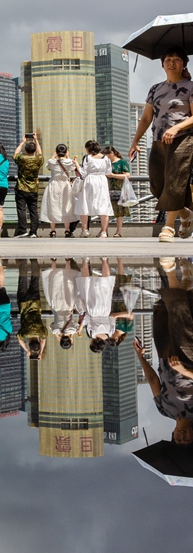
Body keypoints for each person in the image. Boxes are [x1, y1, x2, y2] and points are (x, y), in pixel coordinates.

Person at [129, 47, 193, 243]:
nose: (171, 63)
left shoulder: (190, 86)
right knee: (157, 186)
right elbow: (146, 117)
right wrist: (135, 140)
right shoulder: (155, 89)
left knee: (174, 182)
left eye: (176, 60)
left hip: (183, 140)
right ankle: (185, 214)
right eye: (167, 60)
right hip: (158, 140)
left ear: (184, 64)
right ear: (162, 64)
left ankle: (168, 227)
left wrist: (176, 128)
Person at [135, 258, 193, 447]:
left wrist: (141, 357)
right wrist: (184, 371)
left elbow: (153, 381)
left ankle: (187, 274)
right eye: (186, 439)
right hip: (189, 356)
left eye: (178, 439)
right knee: (180, 312)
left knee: (167, 312)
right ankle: (170, 268)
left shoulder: (164, 410)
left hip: (165, 355)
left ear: (173, 434)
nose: (181, 436)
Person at [74, 139, 113, 238]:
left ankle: (85, 230)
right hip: (102, 181)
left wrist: (77, 164)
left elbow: (83, 173)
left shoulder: (87, 158)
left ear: (88, 149)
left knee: (85, 204)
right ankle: (104, 231)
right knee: (103, 205)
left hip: (90, 180)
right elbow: (108, 172)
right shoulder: (106, 158)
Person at [41, 143, 77, 237]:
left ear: (57, 152)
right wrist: (68, 157)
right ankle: (67, 230)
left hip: (54, 185)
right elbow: (73, 168)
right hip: (65, 186)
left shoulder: (52, 161)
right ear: (66, 152)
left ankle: (53, 231)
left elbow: (48, 166)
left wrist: (53, 156)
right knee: (66, 207)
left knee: (53, 207)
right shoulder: (70, 162)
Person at [12, 133, 44, 238]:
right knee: (33, 210)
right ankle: (33, 232)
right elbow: (40, 153)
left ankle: (22, 230)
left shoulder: (22, 158)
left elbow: (15, 154)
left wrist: (22, 142)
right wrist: (36, 140)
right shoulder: (38, 159)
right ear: (34, 150)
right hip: (33, 188)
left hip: (21, 188)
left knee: (21, 210)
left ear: (25, 150)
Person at [105, 146, 131, 238]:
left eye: (107, 154)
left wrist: (113, 175)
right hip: (107, 189)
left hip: (119, 189)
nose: (106, 156)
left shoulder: (122, 162)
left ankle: (118, 231)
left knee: (119, 212)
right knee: (106, 211)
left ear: (112, 153)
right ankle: (105, 231)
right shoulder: (106, 163)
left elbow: (127, 175)